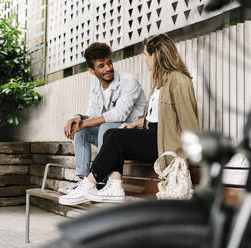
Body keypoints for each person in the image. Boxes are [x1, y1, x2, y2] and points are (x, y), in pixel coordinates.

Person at [59, 34, 199, 205]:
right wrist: (133, 124)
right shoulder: (159, 81)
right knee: (113, 133)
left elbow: (190, 123)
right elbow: (153, 118)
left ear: (155, 55)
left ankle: (89, 184)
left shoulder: (179, 80)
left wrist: (186, 155)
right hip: (154, 136)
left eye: (146, 54)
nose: (144, 58)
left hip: (166, 144)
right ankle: (114, 185)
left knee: (115, 136)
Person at [59, 42, 147, 194]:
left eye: (109, 63)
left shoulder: (128, 81)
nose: (108, 68)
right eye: (101, 66)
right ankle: (83, 181)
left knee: (105, 128)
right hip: (112, 136)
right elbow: (93, 116)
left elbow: (120, 114)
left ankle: (101, 179)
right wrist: (78, 118)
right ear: (92, 70)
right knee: (82, 132)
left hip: (133, 135)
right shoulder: (96, 88)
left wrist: (85, 123)